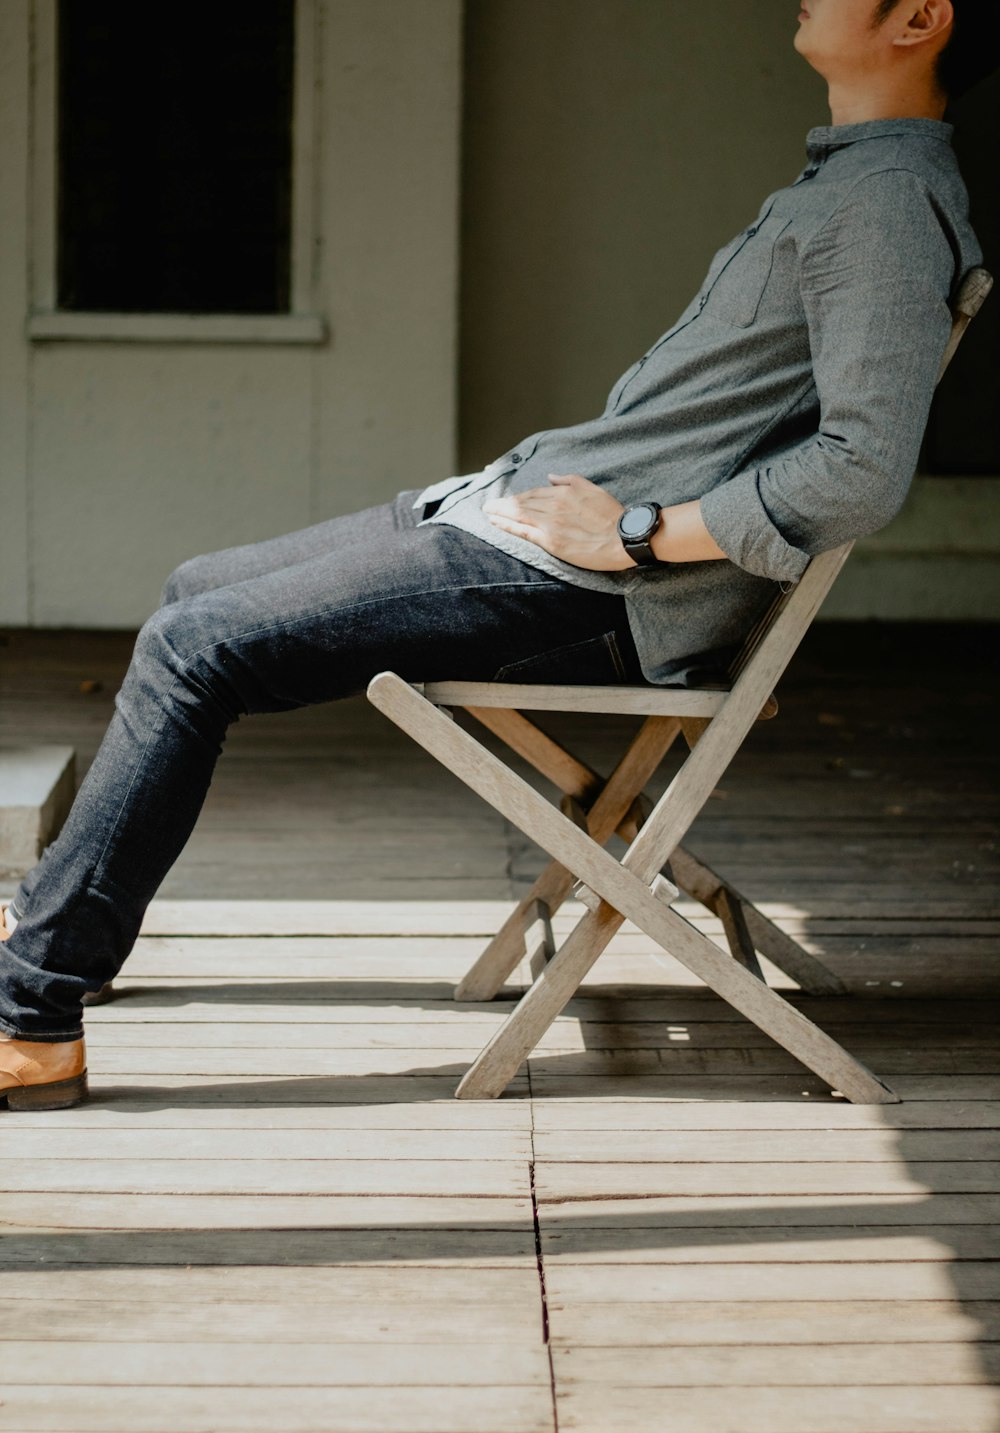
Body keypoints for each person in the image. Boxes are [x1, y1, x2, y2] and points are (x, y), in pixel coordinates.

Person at [1, 0, 995, 1109]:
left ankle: (33, 1009)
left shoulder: (888, 205)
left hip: (588, 582)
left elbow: (860, 467)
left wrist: (635, 537)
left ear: (918, 17)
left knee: (194, 648)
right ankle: (60, 911)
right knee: (196, 594)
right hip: (521, 518)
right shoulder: (852, 182)